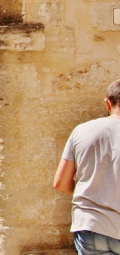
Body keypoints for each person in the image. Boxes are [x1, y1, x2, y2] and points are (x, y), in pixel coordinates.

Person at [54, 79, 120, 254]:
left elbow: (60, 182)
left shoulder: (81, 131)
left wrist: (93, 192)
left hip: (91, 226)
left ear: (108, 103)